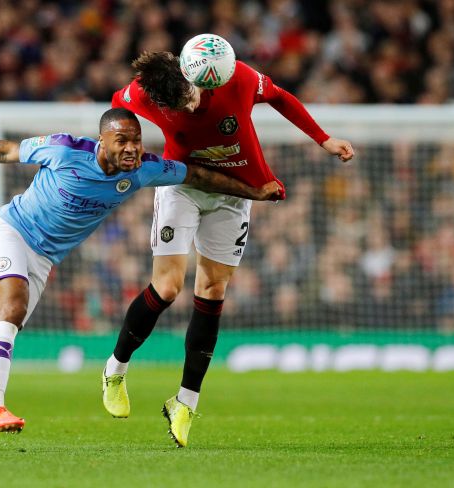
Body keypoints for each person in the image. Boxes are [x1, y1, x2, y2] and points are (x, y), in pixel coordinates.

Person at [0, 107, 283, 453]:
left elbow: (198, 176)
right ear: (102, 140)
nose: (131, 148)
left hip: (43, 258)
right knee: (13, 305)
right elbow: (7, 151)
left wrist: (254, 191)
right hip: (9, 231)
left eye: (137, 141)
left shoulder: (145, 169)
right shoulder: (63, 149)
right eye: (122, 141)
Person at [102, 46, 354, 447]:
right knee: (167, 288)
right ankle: (115, 368)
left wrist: (322, 139)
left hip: (234, 195)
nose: (195, 101)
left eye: (196, 92)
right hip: (182, 187)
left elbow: (280, 97)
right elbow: (117, 108)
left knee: (213, 291)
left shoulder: (234, 76)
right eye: (184, 104)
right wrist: (125, 145)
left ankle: (184, 402)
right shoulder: (145, 94)